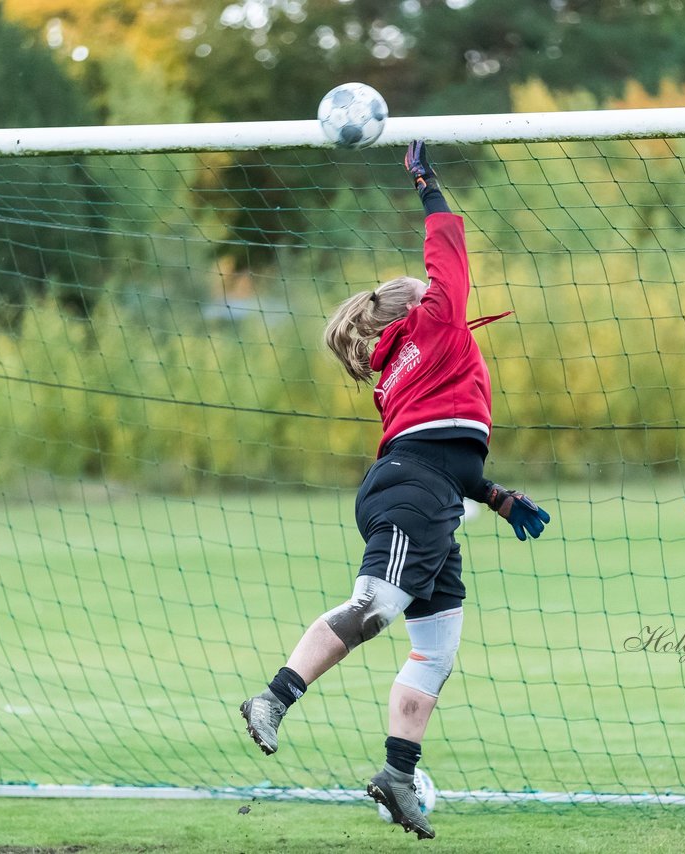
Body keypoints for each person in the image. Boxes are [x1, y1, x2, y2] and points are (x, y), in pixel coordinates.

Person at [240, 140, 550, 840]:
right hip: (414, 495)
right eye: (426, 287)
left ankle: (399, 775)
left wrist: (498, 499)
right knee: (374, 608)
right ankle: (275, 697)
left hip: (426, 491)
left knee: (436, 645)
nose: (437, 289)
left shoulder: (407, 363)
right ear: (415, 307)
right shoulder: (433, 325)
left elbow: (452, 455)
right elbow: (450, 247)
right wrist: (425, 180)